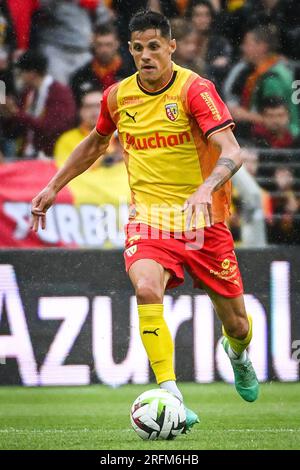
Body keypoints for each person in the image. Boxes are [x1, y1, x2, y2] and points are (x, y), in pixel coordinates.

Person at [31, 10, 259, 433]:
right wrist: (53, 185)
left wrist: (207, 187)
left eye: (155, 46)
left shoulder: (196, 90)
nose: (146, 55)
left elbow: (232, 148)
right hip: (149, 220)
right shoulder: (118, 96)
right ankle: (170, 391)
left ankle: (238, 353)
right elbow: (97, 142)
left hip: (202, 222)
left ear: (171, 46)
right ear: (130, 51)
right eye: (138, 48)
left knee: (239, 324)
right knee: (147, 287)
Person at [70, 22, 133, 105]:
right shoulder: (81, 76)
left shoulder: (131, 73)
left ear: (117, 44)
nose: (104, 50)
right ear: (93, 45)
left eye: (108, 45)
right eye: (99, 45)